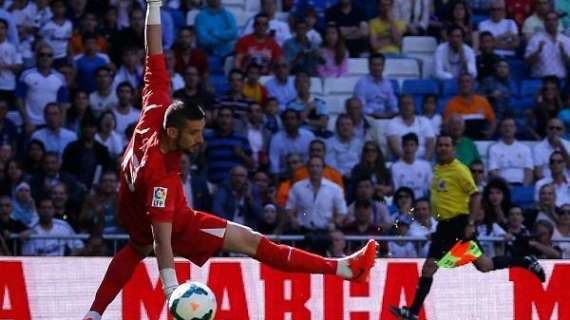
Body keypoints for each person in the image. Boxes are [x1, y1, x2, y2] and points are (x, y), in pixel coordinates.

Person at [82, 4, 378, 319]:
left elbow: (152, 49)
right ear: (172, 132)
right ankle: (344, 268)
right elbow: (163, 241)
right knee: (253, 243)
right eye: (194, 133)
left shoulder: (156, 104)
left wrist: (153, 6)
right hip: (175, 222)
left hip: (131, 208)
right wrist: (173, 292)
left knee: (136, 247)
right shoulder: (163, 177)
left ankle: (94, 314)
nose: (200, 139)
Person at [391, 135, 546, 320]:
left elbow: (476, 195)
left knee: (432, 268)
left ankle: (413, 312)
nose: (442, 148)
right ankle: (526, 261)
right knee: (483, 265)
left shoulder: (459, 170)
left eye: (446, 145)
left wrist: (470, 223)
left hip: (458, 225)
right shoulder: (439, 169)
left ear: (453, 149)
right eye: (440, 145)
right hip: (445, 226)